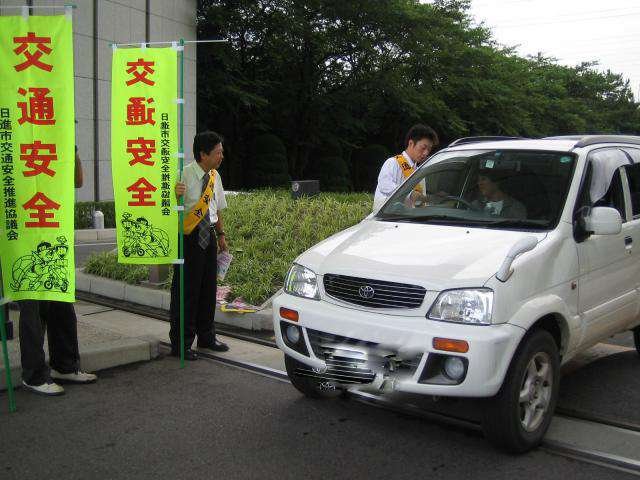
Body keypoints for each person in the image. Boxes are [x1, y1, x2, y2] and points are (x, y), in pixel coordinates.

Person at [18, 145, 97, 396]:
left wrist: (71, 150)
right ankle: (33, 374)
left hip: (50, 234)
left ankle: (64, 365)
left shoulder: (54, 145)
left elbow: (77, 181)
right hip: (21, 240)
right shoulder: (15, 138)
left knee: (61, 304)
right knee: (32, 309)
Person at [170, 131, 229, 361]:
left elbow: (216, 208)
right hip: (188, 238)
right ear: (203, 154)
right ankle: (181, 343)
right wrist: (174, 196)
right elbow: (166, 209)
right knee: (187, 291)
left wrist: (222, 235)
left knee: (207, 289)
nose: (221, 156)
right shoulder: (181, 175)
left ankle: (207, 336)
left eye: (221, 152)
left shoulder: (215, 176)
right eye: (218, 152)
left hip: (209, 236)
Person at [373, 124, 439, 210]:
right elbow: (385, 186)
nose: (426, 153)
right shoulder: (393, 163)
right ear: (411, 143)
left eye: (429, 150)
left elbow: (420, 202)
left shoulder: (419, 171)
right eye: (423, 148)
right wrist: (410, 195)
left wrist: (432, 199)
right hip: (387, 219)